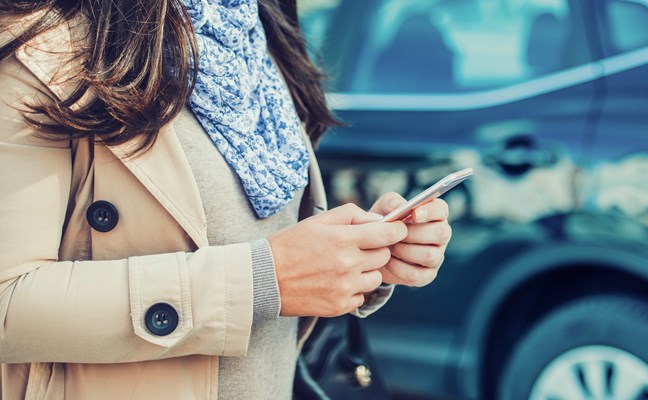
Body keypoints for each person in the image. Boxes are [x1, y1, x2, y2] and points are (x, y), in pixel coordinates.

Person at [0, 0, 452, 399]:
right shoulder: (45, 48)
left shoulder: (256, 31)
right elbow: (7, 301)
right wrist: (259, 280)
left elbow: (270, 244)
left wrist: (362, 257)